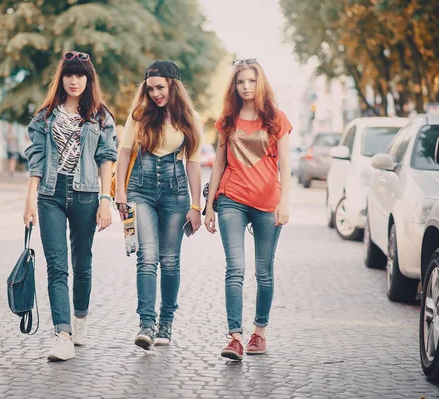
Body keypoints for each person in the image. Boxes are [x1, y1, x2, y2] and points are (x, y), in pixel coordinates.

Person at [23, 51, 117, 361]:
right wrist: (29, 200)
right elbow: (36, 158)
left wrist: (106, 200)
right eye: (69, 74)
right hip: (50, 193)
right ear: (61, 78)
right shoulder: (45, 117)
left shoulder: (100, 116)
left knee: (82, 263)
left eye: (81, 75)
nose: (74, 80)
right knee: (57, 266)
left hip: (87, 194)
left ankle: (80, 321)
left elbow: (106, 158)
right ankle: (62, 334)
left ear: (89, 80)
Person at [203, 58, 292, 361]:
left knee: (264, 271)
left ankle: (259, 333)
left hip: (268, 202)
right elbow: (218, 162)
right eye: (240, 82)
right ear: (235, 85)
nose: (245, 87)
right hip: (232, 199)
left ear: (260, 82)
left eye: (251, 81)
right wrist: (209, 206)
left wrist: (284, 202)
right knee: (235, 268)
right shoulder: (228, 119)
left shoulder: (276, 119)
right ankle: (235, 338)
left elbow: (285, 166)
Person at [114, 60, 203, 350]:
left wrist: (196, 206)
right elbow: (125, 153)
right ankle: (146, 325)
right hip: (140, 189)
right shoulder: (139, 115)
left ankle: (166, 322)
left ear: (173, 86)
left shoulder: (190, 118)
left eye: (160, 87)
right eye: (150, 88)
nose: (154, 93)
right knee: (147, 256)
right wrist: (121, 195)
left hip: (176, 194)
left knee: (170, 260)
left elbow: (193, 163)